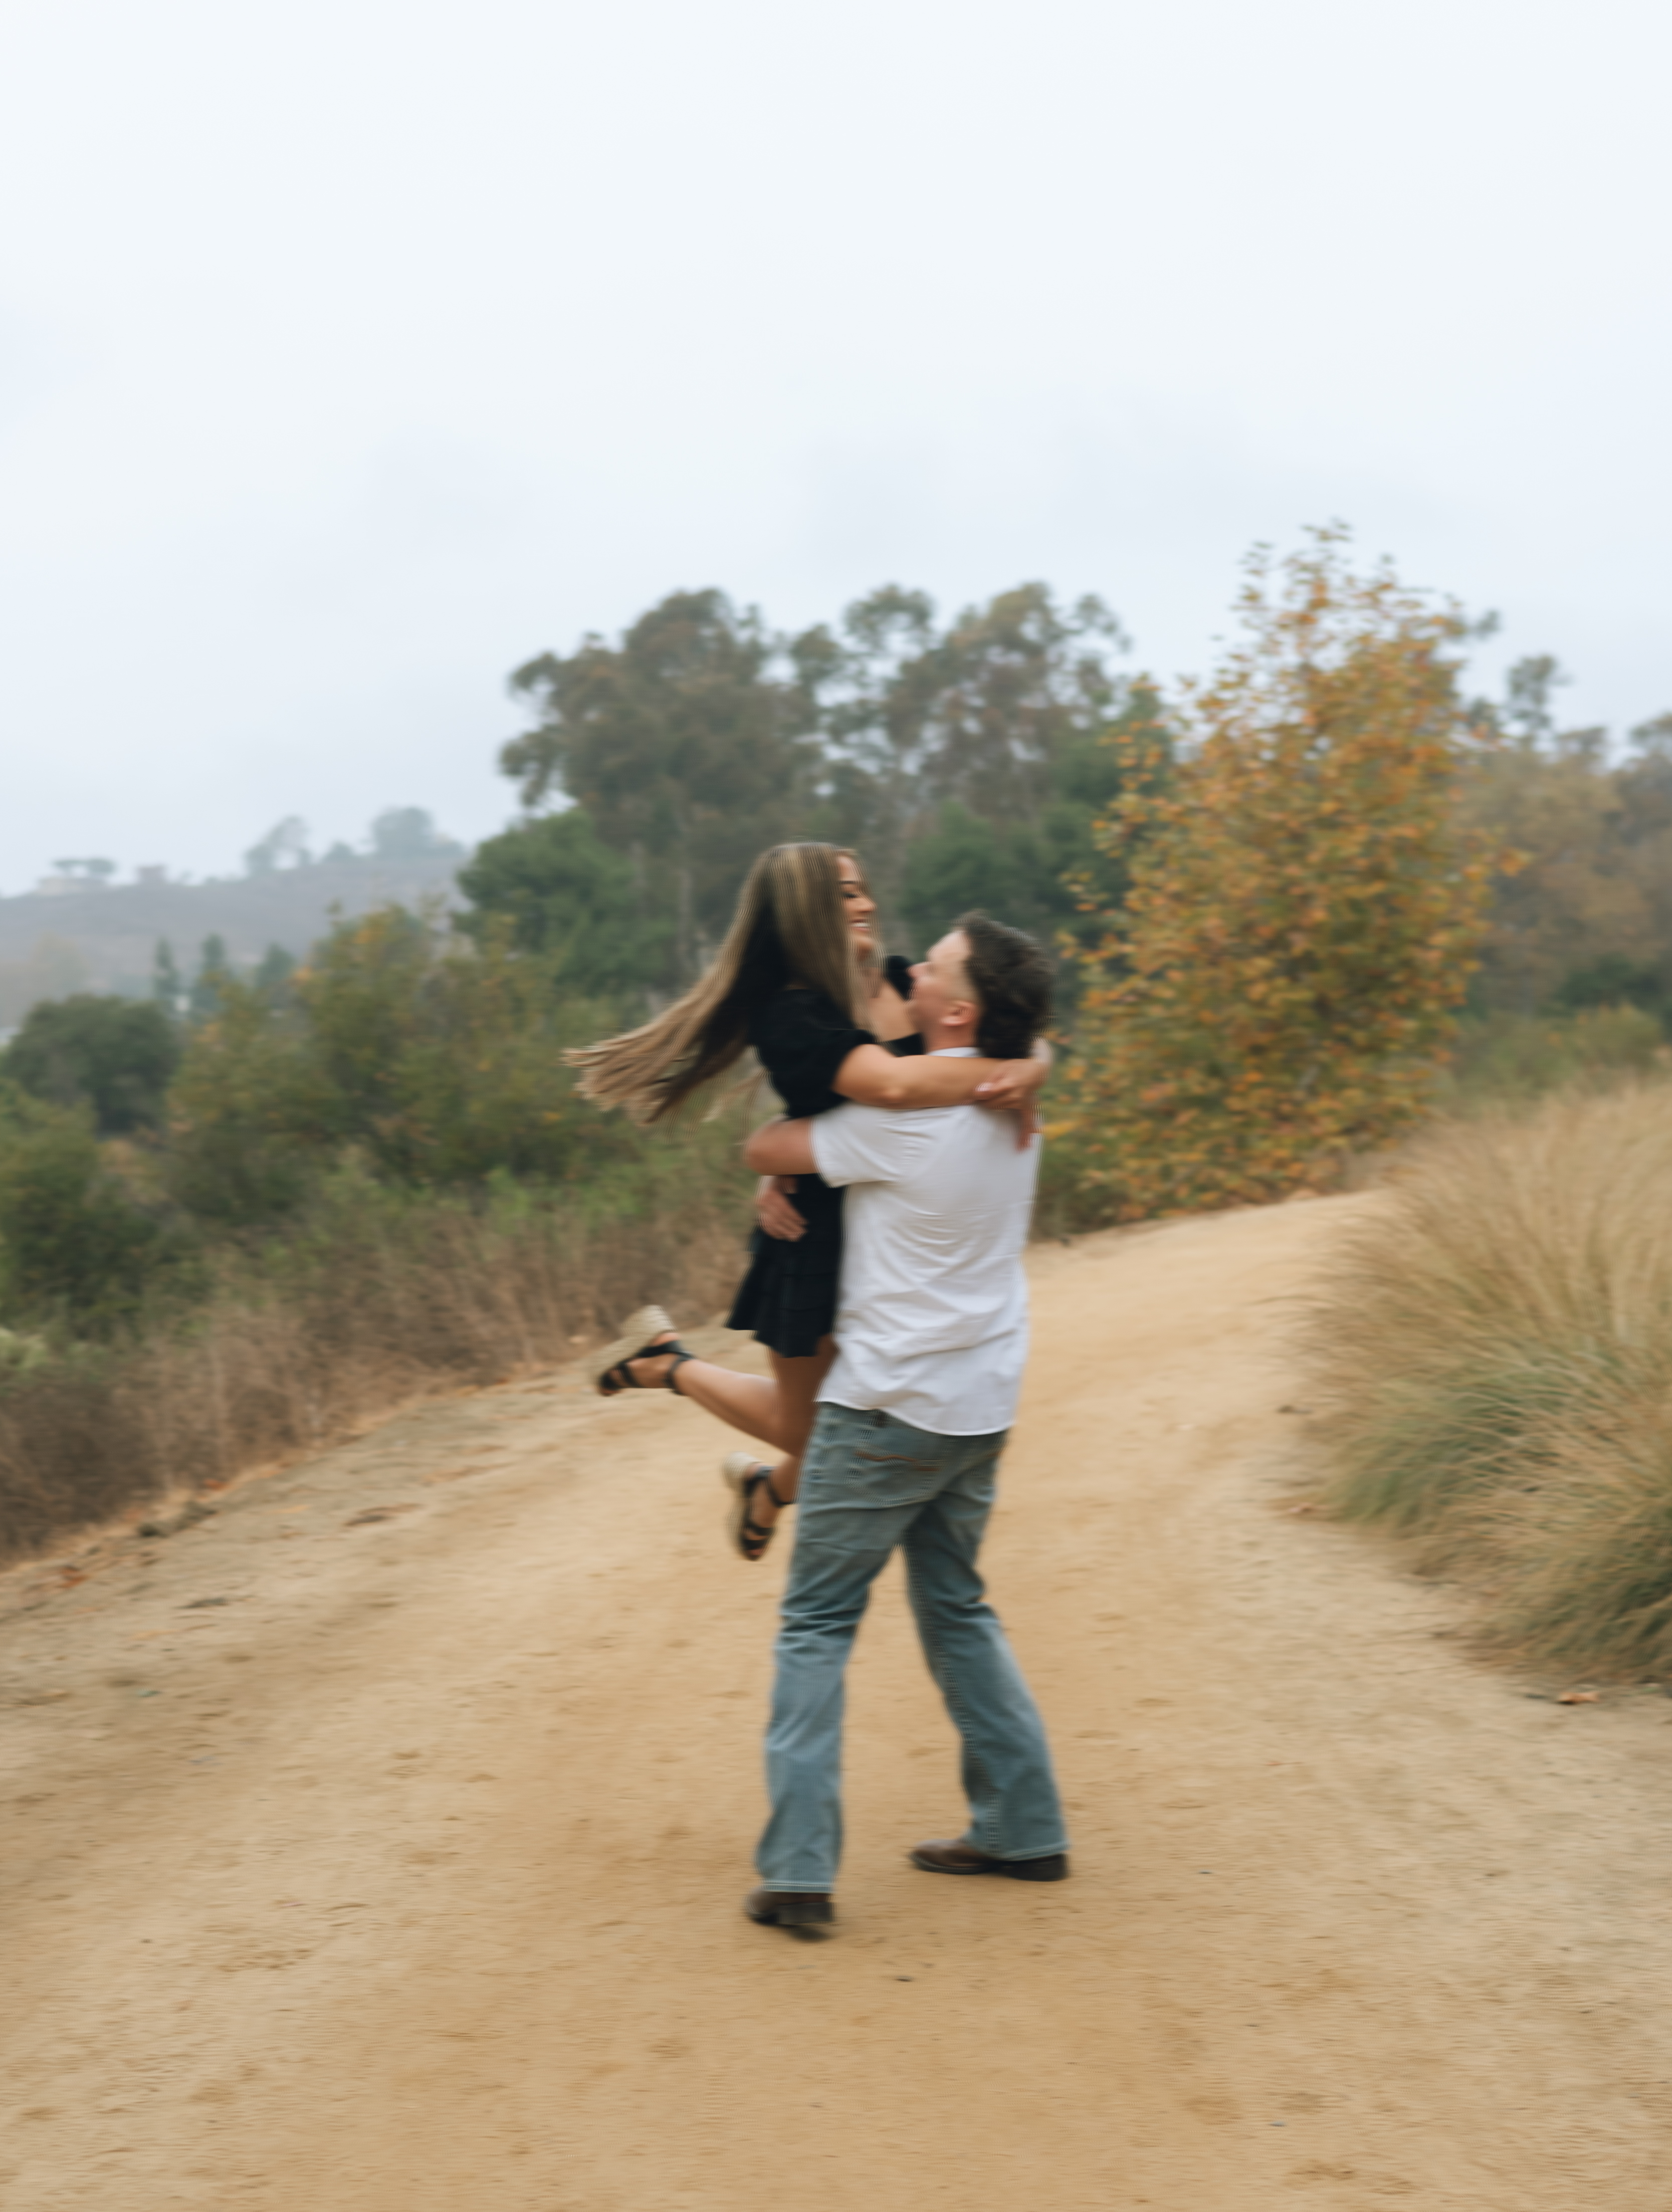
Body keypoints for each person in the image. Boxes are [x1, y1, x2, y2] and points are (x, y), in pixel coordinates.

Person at [567, 844, 1049, 1558]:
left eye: (864, 890)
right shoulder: (791, 1015)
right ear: (804, 912)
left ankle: (767, 1490)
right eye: (846, 894)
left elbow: (995, 1019)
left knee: (874, 1417)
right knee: (818, 1426)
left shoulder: (902, 979)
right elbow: (892, 1087)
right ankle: (667, 1362)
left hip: (896, 1225)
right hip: (816, 1234)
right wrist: (1015, 1071)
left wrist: (1034, 1061)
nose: (867, 904)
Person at [735, 912, 1068, 1934]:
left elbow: (764, 1142)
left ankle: (799, 1872)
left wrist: (780, 1164)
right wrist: (1034, 1063)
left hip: (885, 1408)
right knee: (957, 1605)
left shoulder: (904, 1118)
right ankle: (1024, 1824)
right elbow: (1025, 1054)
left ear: (957, 1012)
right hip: (980, 1406)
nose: (911, 968)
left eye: (934, 965)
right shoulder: (1017, 1103)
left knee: (816, 1621)